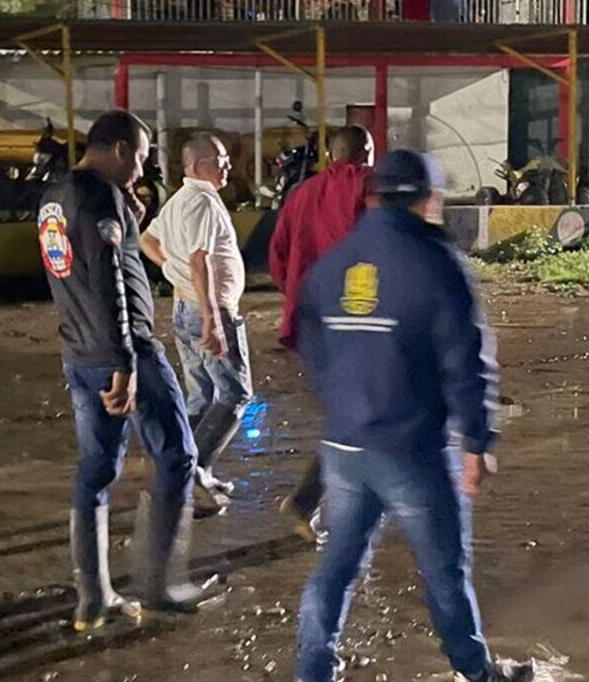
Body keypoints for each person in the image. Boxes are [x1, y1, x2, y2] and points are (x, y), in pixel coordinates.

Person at [283, 148, 534, 682]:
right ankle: (473, 675)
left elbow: (310, 340)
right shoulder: (437, 264)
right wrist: (477, 441)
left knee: (336, 567)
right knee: (444, 570)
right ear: (429, 200)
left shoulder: (335, 261)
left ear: (372, 197)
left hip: (344, 449)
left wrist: (345, 404)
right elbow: (467, 362)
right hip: (414, 449)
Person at [38, 109, 220, 629]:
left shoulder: (54, 195)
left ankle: (93, 598)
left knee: (96, 468)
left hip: (78, 352)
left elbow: (79, 271)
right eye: (139, 158)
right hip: (125, 350)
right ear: (118, 149)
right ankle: (163, 584)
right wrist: (126, 361)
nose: (141, 170)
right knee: (179, 456)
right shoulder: (99, 196)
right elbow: (109, 280)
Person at [268, 125, 375, 538]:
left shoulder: (302, 194)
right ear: (367, 153)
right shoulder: (369, 188)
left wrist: (296, 294)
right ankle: (306, 501)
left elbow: (277, 256)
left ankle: (317, 499)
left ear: (330, 156)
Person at [143, 132, 253, 511]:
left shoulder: (178, 202)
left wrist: (171, 271)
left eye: (225, 158)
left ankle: (174, 469)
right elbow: (199, 260)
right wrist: (213, 320)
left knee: (201, 396)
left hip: (185, 308)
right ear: (195, 165)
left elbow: (148, 241)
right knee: (235, 395)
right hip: (208, 311)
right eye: (218, 158)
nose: (226, 164)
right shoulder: (203, 202)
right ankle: (194, 471)